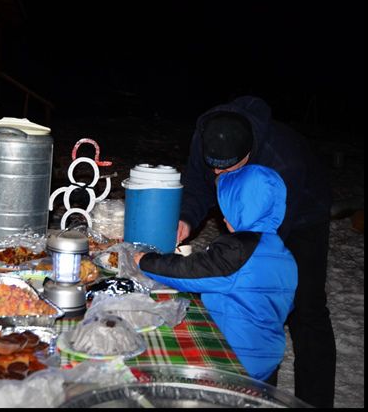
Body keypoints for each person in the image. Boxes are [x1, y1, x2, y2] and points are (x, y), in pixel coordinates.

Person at [176, 95, 335, 407]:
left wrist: (230, 266)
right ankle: (257, 396)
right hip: (248, 212)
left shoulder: (282, 158)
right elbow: (197, 183)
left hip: (302, 214)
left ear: (249, 154)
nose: (221, 180)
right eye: (216, 171)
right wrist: (186, 218)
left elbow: (264, 242)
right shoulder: (207, 136)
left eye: (230, 170)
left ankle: (314, 400)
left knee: (303, 307)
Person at [136, 164, 298, 384]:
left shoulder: (239, 250)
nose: (223, 218)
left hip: (235, 362)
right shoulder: (282, 252)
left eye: (229, 207)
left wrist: (144, 261)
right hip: (267, 361)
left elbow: (189, 272)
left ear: (243, 207)